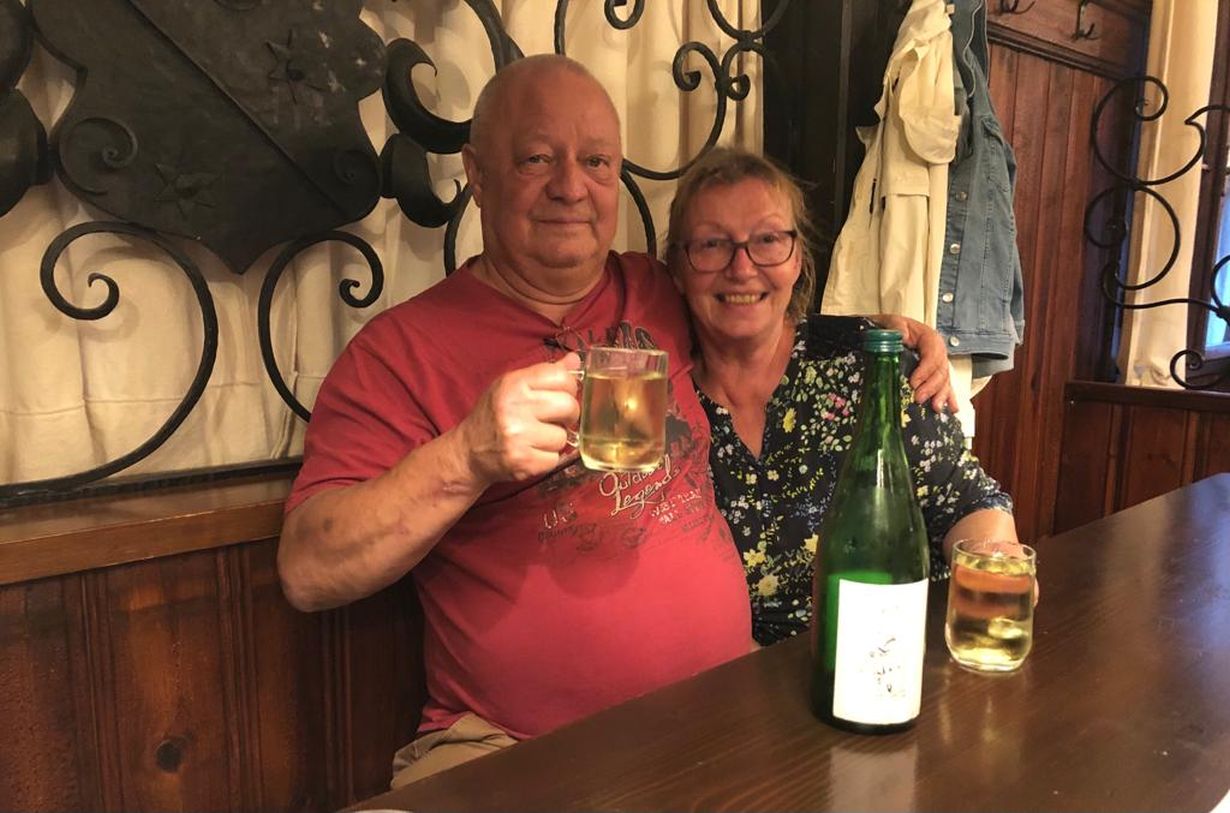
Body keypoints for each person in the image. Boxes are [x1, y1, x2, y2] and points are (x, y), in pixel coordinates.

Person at [278, 55, 953, 785]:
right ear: (477, 173)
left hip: (728, 715)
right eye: (537, 159)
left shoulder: (657, 288)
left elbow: (753, 298)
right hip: (516, 749)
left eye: (595, 161)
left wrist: (884, 336)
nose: (571, 187)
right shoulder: (401, 351)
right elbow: (308, 570)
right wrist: (465, 456)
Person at [664, 147, 1020, 646]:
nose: (742, 268)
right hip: (747, 677)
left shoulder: (872, 365)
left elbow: (966, 502)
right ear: (677, 270)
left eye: (767, 239)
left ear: (797, 259)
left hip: (892, 655)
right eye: (711, 244)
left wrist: (993, 567)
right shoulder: (662, 403)